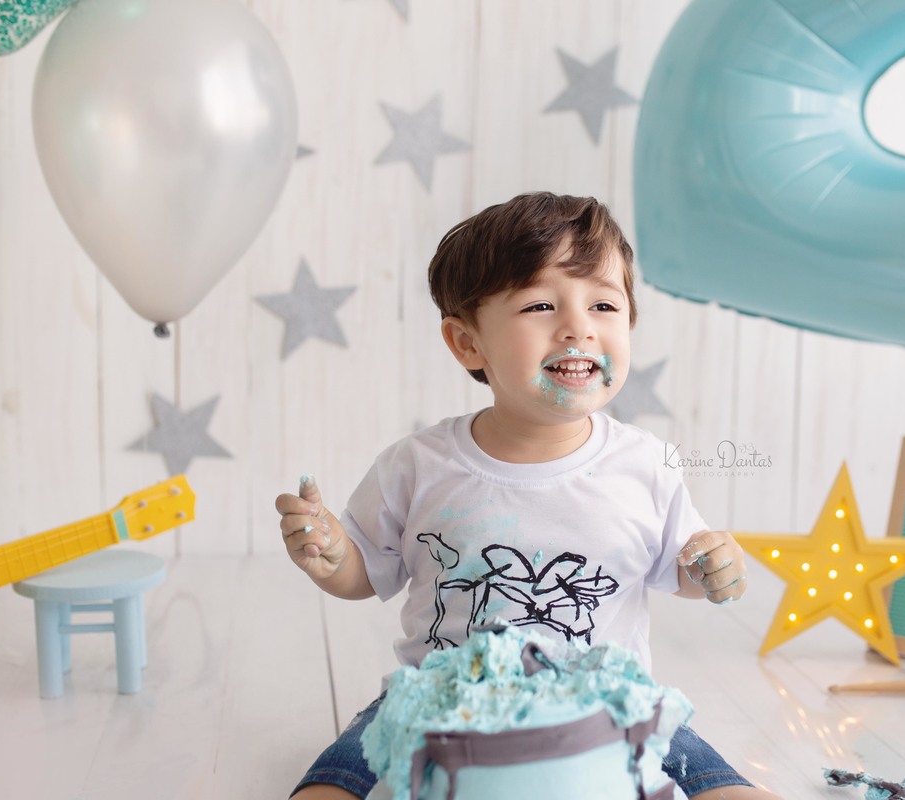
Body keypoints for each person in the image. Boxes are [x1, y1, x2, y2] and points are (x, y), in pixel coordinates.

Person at [277, 192, 780, 800]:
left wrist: (712, 566)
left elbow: (682, 569)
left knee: (684, 745)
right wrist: (333, 555)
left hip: (601, 703)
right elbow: (365, 573)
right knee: (357, 750)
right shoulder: (419, 465)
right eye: (541, 305)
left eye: (603, 304)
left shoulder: (644, 466)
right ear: (468, 343)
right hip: (445, 698)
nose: (578, 327)